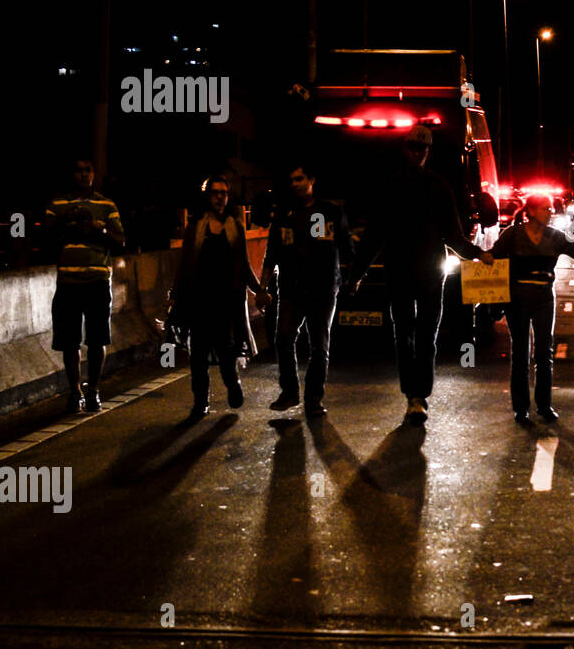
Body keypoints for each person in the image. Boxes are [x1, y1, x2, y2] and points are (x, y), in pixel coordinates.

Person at [344, 125, 494, 426]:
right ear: (405, 149)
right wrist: (356, 274)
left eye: (422, 149)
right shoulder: (397, 186)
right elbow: (374, 236)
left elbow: (453, 235)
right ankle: (413, 395)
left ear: (428, 152)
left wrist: (479, 254)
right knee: (406, 335)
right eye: (413, 147)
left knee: (424, 336)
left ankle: (418, 396)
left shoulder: (437, 186)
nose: (417, 153)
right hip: (404, 272)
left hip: (424, 273)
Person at [492, 193, 574, 425]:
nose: (550, 212)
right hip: (517, 301)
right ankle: (521, 409)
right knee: (521, 353)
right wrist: (476, 260)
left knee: (544, 353)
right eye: (544, 209)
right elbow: (492, 257)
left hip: (543, 299)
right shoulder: (512, 235)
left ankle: (544, 405)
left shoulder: (555, 237)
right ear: (530, 211)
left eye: (551, 209)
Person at [172, 176, 269, 420]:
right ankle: (200, 402)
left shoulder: (234, 226)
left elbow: (244, 263)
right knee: (198, 356)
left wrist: (258, 290)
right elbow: (185, 264)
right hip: (199, 300)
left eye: (224, 193)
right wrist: (175, 296)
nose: (219, 197)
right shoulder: (197, 226)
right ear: (208, 196)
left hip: (227, 303)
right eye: (215, 192)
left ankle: (232, 383)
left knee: (226, 352)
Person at [261, 162, 353, 418]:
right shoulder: (284, 214)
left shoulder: (331, 212)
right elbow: (272, 254)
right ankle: (289, 392)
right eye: (292, 180)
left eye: (300, 179)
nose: (295, 184)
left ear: (311, 180)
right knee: (284, 338)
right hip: (291, 289)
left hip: (323, 290)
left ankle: (313, 400)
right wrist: (261, 287)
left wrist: (352, 278)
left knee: (319, 347)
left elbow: (347, 249)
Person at [44, 158, 125, 412]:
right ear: (72, 174)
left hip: (97, 282)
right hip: (68, 281)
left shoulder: (106, 204)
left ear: (93, 173)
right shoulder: (58, 204)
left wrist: (97, 230)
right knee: (70, 342)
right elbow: (44, 238)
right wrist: (67, 222)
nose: (82, 175)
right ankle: (75, 391)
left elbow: (121, 241)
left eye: (87, 170)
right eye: (78, 170)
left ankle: (94, 391)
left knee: (97, 339)